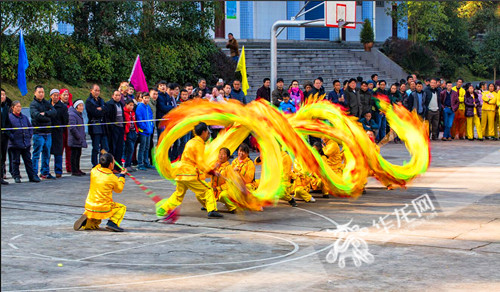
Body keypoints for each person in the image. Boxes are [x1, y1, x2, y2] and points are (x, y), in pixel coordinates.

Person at [156, 122, 224, 219]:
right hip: (190, 174)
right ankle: (212, 210)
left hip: (180, 172)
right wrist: (211, 171)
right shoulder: (199, 143)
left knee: (178, 194)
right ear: (204, 132)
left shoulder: (190, 141)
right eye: (207, 132)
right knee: (208, 190)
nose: (207, 134)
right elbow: (200, 162)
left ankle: (163, 208)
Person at [73, 152, 127, 232]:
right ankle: (112, 223)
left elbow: (99, 165)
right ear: (110, 164)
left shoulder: (94, 171)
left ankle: (87, 222)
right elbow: (119, 189)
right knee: (121, 208)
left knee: (96, 222)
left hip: (89, 206)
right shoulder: (112, 177)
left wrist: (105, 158)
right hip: (103, 206)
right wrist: (122, 176)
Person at [6, 101, 40, 183]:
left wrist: (29, 135)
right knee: (15, 161)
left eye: (20, 106)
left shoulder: (24, 117)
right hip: (15, 144)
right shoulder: (9, 118)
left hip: (25, 143)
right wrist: (12, 137)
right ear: (12, 108)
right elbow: (7, 130)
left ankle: (32, 176)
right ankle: (16, 176)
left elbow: (30, 127)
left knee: (28, 161)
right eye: (17, 106)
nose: (18, 108)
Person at [30, 85, 57, 179]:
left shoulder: (46, 103)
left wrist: (45, 113)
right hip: (38, 133)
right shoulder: (33, 104)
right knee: (36, 154)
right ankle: (34, 173)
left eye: (42, 92)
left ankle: (45, 172)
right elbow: (36, 116)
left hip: (48, 132)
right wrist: (47, 117)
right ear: (35, 93)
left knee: (47, 154)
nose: (41, 94)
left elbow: (54, 112)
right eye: (39, 92)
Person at [86, 84, 109, 167]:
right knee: (96, 147)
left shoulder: (101, 100)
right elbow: (94, 112)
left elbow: (106, 109)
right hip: (94, 126)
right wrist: (101, 110)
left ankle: (103, 163)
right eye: (95, 90)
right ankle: (95, 164)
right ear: (91, 91)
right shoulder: (89, 101)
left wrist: (101, 109)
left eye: (98, 90)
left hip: (103, 126)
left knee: (105, 147)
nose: (97, 92)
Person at [49, 89, 69, 178]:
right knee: (46, 152)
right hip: (48, 132)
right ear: (51, 96)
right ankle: (45, 171)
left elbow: (65, 120)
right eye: (54, 95)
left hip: (58, 132)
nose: (56, 97)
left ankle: (58, 171)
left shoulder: (63, 107)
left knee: (58, 153)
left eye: (57, 95)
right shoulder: (47, 105)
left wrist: (61, 129)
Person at [212, 148, 237, 213]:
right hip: (214, 189)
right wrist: (213, 169)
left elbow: (229, 183)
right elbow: (206, 172)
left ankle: (232, 207)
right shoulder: (215, 164)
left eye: (223, 154)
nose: (220, 155)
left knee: (223, 196)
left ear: (228, 157)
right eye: (220, 153)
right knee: (202, 191)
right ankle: (209, 206)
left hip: (224, 190)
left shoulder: (229, 167)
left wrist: (217, 188)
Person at [106, 91, 126, 171]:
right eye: (116, 95)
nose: (118, 97)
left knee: (119, 148)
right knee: (112, 148)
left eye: (119, 95)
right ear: (112, 96)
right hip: (114, 128)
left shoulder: (121, 104)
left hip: (120, 127)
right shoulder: (109, 104)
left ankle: (118, 166)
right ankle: (112, 166)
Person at [68, 100, 87, 176]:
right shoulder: (72, 115)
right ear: (76, 107)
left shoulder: (79, 114)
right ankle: (74, 170)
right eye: (80, 106)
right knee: (74, 154)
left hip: (79, 138)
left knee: (78, 154)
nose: (82, 107)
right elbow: (72, 128)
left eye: (82, 106)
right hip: (75, 138)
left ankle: (77, 168)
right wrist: (78, 136)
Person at [59, 88, 73, 173]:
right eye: (64, 95)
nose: (66, 97)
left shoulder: (70, 105)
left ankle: (70, 167)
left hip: (69, 130)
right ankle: (59, 168)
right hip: (61, 130)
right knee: (60, 149)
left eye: (67, 95)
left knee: (69, 149)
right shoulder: (59, 105)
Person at [123, 99, 138, 171]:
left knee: (132, 149)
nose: (132, 107)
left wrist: (136, 131)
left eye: (132, 105)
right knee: (130, 149)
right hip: (128, 132)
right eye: (130, 105)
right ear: (126, 105)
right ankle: (126, 165)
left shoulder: (133, 113)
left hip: (133, 131)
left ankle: (128, 164)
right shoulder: (124, 113)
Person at [1, 88, 12, 184]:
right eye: (1, 94)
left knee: (3, 156)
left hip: (4, 136)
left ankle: (1, 176)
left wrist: (7, 133)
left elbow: (8, 122)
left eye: (4, 94)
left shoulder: (5, 107)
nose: (2, 96)